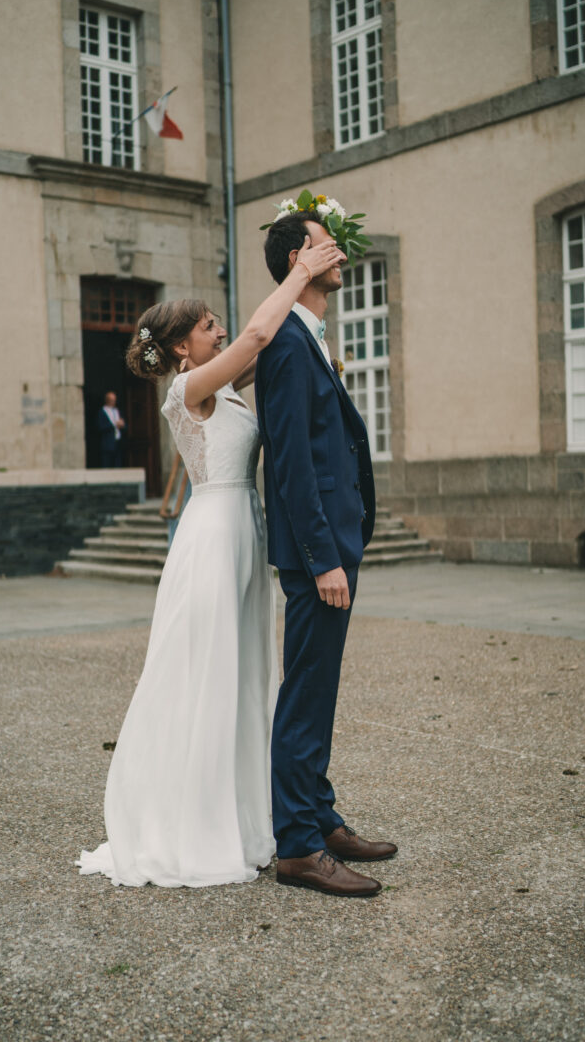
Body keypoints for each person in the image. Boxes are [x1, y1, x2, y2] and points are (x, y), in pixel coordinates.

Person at [76, 233, 345, 888]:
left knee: (242, 675)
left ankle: (244, 813)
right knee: (206, 677)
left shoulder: (222, 385)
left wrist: (311, 323)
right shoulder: (188, 388)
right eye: (207, 325)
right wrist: (301, 269)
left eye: (217, 324)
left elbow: (271, 341)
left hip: (243, 538)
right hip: (211, 541)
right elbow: (256, 336)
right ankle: (194, 827)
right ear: (179, 348)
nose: (219, 330)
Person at [255, 211, 398, 898]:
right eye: (323, 243)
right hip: (320, 555)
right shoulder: (284, 344)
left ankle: (321, 817)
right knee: (304, 697)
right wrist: (322, 557)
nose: (337, 251)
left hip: (337, 542)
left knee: (320, 691)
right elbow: (290, 463)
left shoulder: (305, 335)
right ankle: (298, 848)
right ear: (296, 262)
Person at [97, 392, 126, 468]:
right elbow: (100, 427)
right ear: (107, 401)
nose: (114, 402)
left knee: (118, 465)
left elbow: (123, 424)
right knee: (107, 465)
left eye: (114, 400)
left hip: (117, 442)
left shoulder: (117, 411)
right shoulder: (102, 412)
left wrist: (122, 424)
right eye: (112, 400)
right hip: (107, 444)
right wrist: (114, 424)